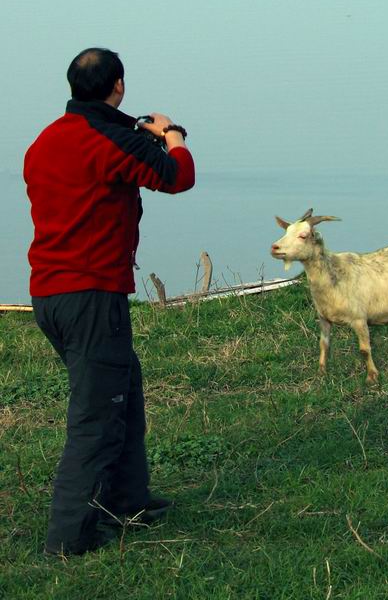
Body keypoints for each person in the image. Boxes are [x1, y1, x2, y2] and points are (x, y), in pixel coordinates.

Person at [24, 47, 196, 556]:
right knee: (97, 413)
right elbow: (176, 176)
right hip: (92, 295)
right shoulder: (111, 139)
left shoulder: (44, 141)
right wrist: (173, 136)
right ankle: (69, 538)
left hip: (48, 295)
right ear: (117, 85)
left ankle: (127, 499)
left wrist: (136, 134)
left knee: (123, 388)